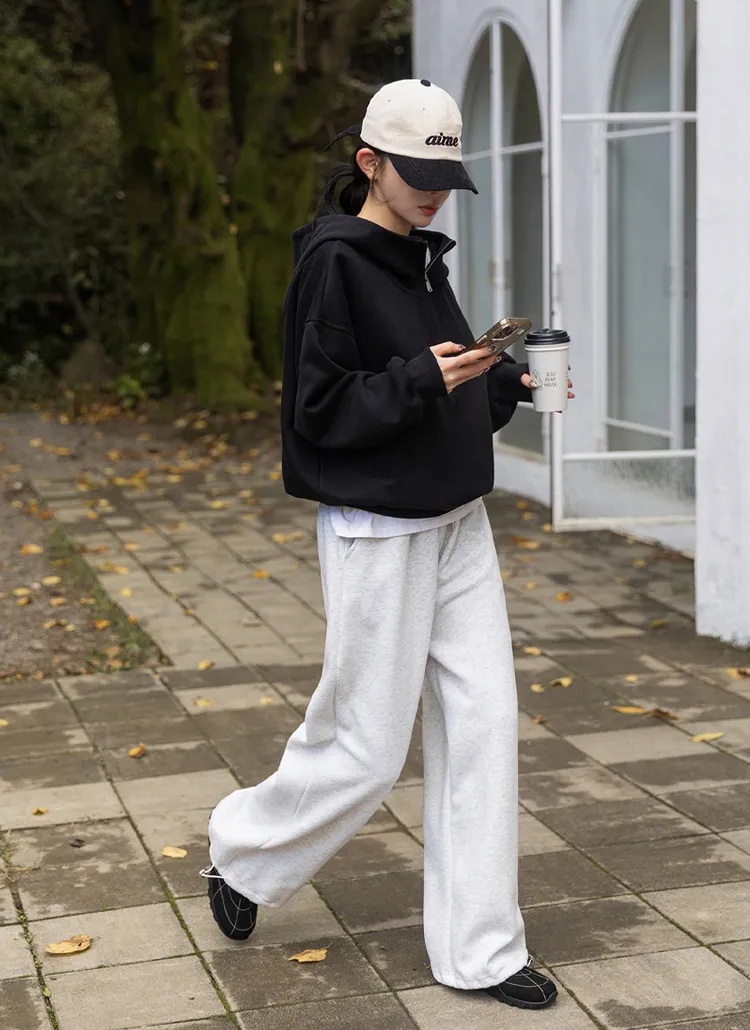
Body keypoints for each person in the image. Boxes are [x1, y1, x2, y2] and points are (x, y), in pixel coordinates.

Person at [201, 78, 573, 1011]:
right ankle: (243, 854)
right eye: (417, 175)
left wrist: (506, 381)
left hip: (458, 523)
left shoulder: (420, 259)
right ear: (369, 162)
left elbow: (441, 387)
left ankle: (481, 950)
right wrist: (421, 381)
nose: (435, 192)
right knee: (367, 748)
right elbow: (319, 411)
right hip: (379, 528)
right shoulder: (335, 264)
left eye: (446, 178)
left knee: (484, 728)